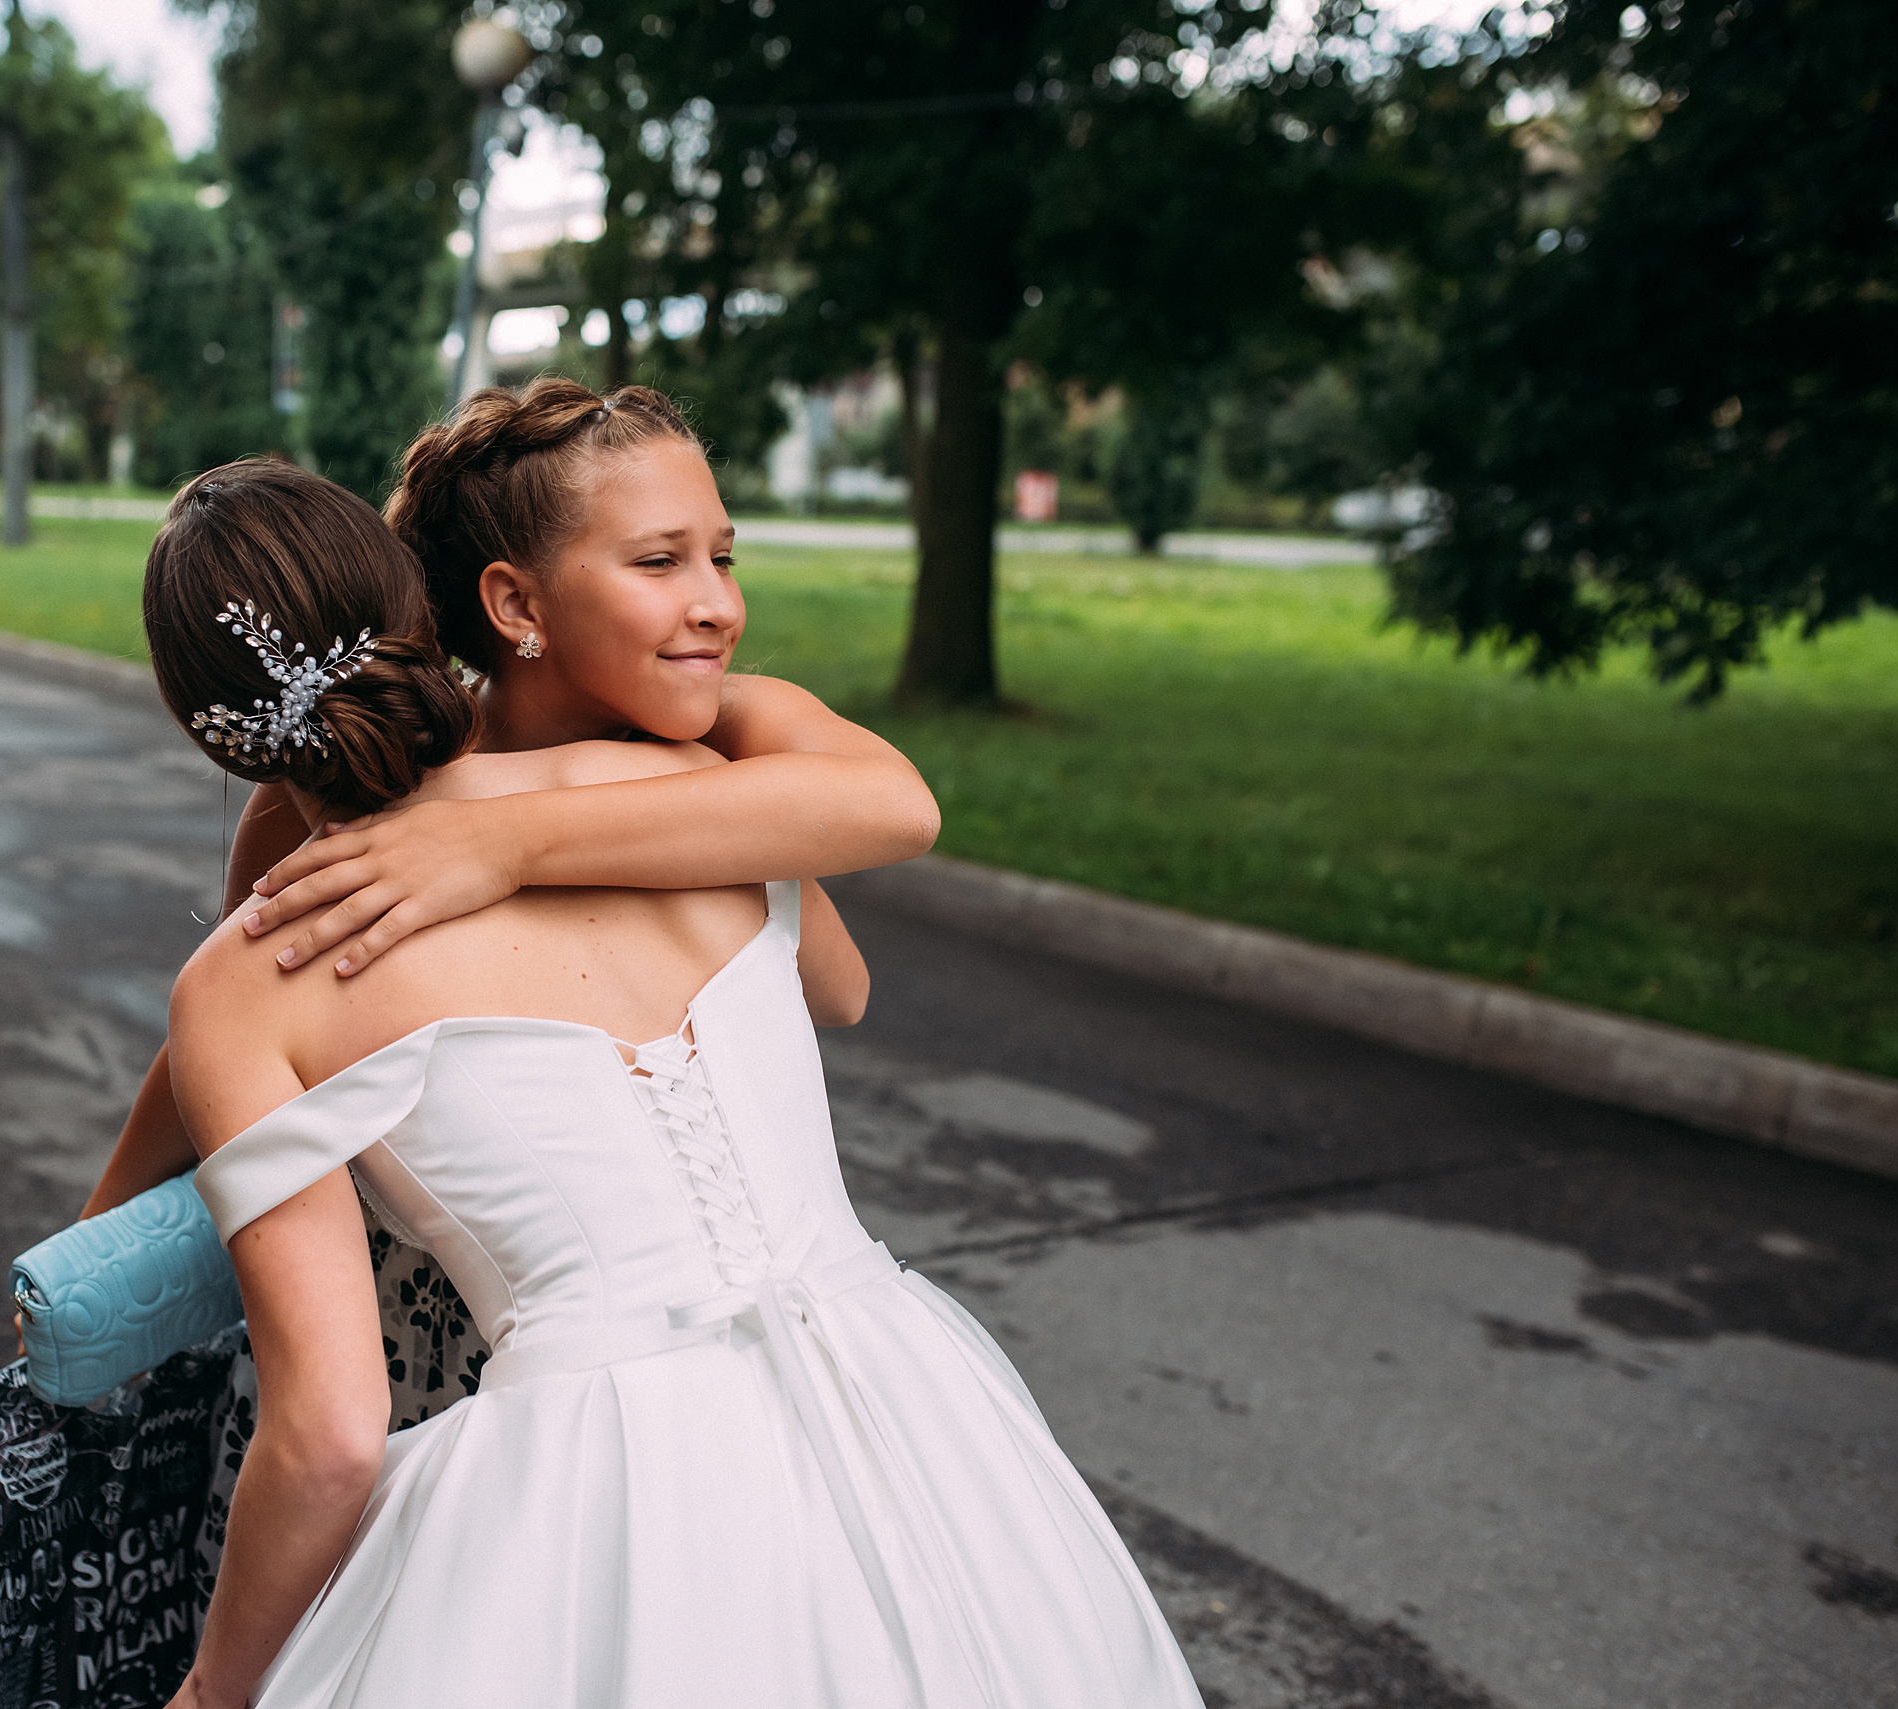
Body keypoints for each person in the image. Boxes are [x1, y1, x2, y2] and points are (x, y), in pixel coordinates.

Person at [138, 459, 1201, 1708]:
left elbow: (327, 1438)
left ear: (205, 727)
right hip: (901, 1395)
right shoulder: (698, 788)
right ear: (426, 612)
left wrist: (214, 1689)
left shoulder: (248, 980)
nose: (710, 597)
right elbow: (834, 981)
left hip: (599, 1481)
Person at [81, 382, 938, 1431]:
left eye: (723, 557)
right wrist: (99, 1230)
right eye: (660, 561)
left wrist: (507, 842)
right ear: (517, 606)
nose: (718, 603)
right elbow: (249, 1017)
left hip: (655, 1340)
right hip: (414, 1341)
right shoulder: (347, 779)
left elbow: (869, 894)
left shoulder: (718, 735)